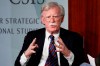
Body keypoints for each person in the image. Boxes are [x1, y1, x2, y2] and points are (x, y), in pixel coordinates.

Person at [15, 2, 89, 66]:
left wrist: (68, 54)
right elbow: (18, 64)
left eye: (55, 16)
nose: (52, 20)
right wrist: (26, 54)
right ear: (43, 20)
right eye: (48, 17)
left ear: (62, 19)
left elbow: (82, 64)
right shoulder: (32, 36)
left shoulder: (74, 37)